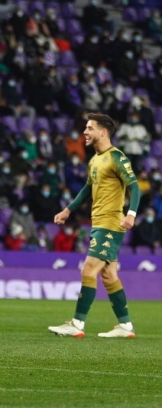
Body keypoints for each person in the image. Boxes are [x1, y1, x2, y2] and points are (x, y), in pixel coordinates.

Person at [49, 113, 140, 339]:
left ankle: (77, 323)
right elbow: (87, 190)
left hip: (111, 222)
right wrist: (67, 210)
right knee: (108, 276)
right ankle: (125, 326)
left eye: (89, 128)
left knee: (88, 269)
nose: (85, 133)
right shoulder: (94, 160)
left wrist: (131, 214)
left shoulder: (117, 157)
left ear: (103, 131)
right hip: (98, 223)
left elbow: (135, 187)